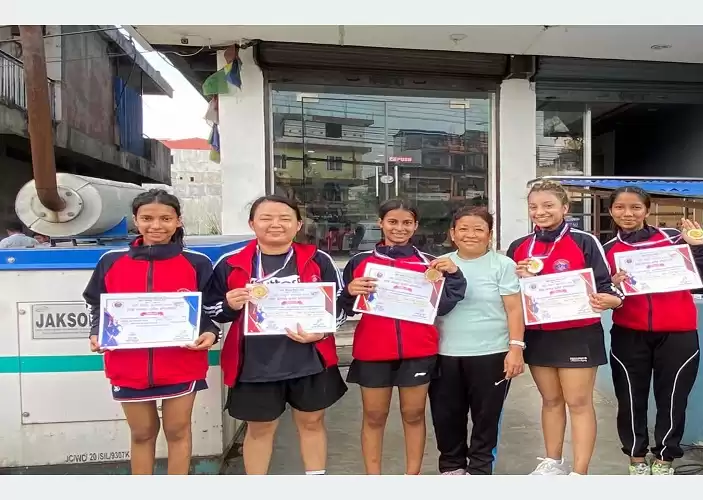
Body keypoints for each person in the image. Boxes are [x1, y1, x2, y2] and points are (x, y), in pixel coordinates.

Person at [203, 195, 348, 475]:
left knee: (312, 423)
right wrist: (229, 305)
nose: (275, 224)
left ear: (298, 225)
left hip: (309, 359)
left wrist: (320, 333)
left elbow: (339, 306)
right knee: (260, 428)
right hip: (255, 363)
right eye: (266, 218)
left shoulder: (319, 259)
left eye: (284, 218)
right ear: (252, 224)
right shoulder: (230, 263)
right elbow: (212, 310)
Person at [81, 189, 220, 475]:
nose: (156, 226)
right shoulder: (111, 261)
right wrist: (97, 331)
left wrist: (210, 332)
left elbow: (209, 309)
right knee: (142, 433)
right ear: (136, 220)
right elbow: (96, 302)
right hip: (127, 363)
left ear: (178, 221)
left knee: (178, 431)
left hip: (182, 361)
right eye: (147, 218)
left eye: (165, 219)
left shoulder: (197, 262)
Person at [339, 199, 467, 475]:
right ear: (381, 223)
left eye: (407, 222)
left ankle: (412, 477)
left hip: (418, 351)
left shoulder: (429, 264)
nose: (400, 228)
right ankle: (373, 478)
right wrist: (349, 292)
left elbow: (443, 304)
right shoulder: (360, 262)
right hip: (372, 350)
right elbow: (346, 307)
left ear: (415, 225)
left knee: (414, 414)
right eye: (393, 222)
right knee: (374, 416)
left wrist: (456, 275)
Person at [506, 180, 624, 476]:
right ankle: (553, 463)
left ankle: (579, 473)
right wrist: (518, 278)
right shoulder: (519, 247)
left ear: (565, 208)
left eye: (548, 205)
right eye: (533, 207)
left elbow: (606, 287)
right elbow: (509, 295)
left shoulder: (585, 242)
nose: (540, 212)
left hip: (578, 333)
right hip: (539, 334)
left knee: (579, 402)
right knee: (550, 401)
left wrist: (612, 300)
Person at [602, 186, 703, 475]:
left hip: (678, 333)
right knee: (630, 399)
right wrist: (612, 284)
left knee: (673, 398)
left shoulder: (673, 239)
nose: (627, 214)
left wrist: (699, 247)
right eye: (620, 207)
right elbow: (601, 294)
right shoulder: (607, 250)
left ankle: (665, 459)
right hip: (629, 333)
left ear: (647, 210)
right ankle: (636, 459)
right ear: (611, 211)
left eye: (635, 207)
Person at [429, 206, 525, 476]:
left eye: (478, 229)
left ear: (489, 234)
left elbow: (514, 309)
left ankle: (480, 471)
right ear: (452, 233)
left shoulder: (503, 265)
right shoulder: (438, 264)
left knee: (486, 417)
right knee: (446, 415)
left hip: (492, 352)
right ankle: (452, 468)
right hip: (444, 353)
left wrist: (516, 348)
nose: (470, 235)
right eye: (463, 229)